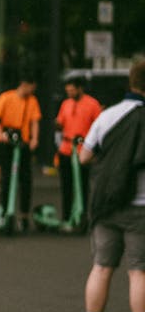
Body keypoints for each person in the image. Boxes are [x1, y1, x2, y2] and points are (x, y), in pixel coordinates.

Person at [78, 60, 145, 312]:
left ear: (130, 82)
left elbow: (84, 156)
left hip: (107, 206)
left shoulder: (108, 116)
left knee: (102, 268)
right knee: (138, 273)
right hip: (141, 208)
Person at [0, 76, 42, 231]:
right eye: (32, 87)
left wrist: (35, 139)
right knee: (7, 178)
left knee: (25, 180)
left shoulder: (32, 101)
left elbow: (35, 121)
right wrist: (0, 132)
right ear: (25, 84)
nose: (33, 91)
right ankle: (6, 210)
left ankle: (24, 215)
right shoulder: (7, 97)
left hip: (23, 143)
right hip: (8, 143)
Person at [55, 78, 103, 232]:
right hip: (66, 148)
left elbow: (99, 126)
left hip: (83, 149)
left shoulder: (92, 104)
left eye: (72, 90)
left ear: (80, 88)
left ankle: (82, 216)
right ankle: (67, 217)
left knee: (82, 185)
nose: (70, 93)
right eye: (68, 91)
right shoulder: (66, 103)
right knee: (66, 185)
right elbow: (60, 122)